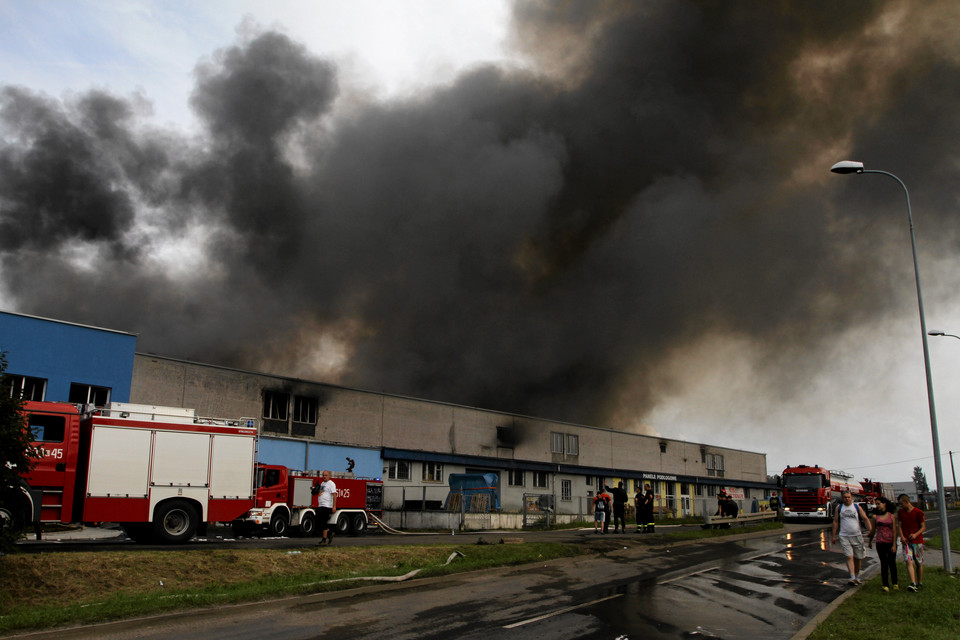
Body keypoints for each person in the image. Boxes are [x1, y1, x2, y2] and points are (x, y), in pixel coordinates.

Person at [831, 490, 873, 585]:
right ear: (842, 498)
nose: (847, 499)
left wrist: (871, 530)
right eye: (845, 497)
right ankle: (852, 577)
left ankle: (857, 576)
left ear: (852, 498)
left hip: (857, 536)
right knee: (849, 556)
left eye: (848, 497)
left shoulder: (856, 507)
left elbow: (865, 519)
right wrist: (834, 535)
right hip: (844, 536)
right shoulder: (839, 508)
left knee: (858, 557)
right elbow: (836, 522)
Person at [867, 496, 899, 592]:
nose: (877, 506)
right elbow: (873, 530)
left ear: (884, 504)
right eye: (876, 504)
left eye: (878, 504)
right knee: (884, 563)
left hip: (890, 542)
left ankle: (895, 583)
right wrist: (870, 541)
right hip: (880, 542)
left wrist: (894, 544)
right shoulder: (875, 517)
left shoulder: (891, 516)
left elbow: (894, 531)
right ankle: (885, 584)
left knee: (892, 563)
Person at [897, 493, 926, 591]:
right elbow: (900, 525)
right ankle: (913, 583)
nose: (900, 506)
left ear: (906, 502)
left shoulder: (918, 512)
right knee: (908, 561)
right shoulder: (901, 512)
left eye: (901, 503)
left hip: (917, 541)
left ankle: (920, 582)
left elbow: (923, 527)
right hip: (906, 542)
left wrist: (915, 534)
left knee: (918, 562)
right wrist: (902, 536)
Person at [312, 470, 338, 545]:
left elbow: (334, 495)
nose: (324, 477)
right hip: (321, 505)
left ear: (329, 476)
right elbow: (321, 493)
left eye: (326, 475)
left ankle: (325, 538)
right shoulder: (322, 483)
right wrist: (316, 491)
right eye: (323, 475)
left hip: (327, 506)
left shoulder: (331, 484)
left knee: (322, 521)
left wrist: (334, 506)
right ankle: (329, 534)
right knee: (319, 521)